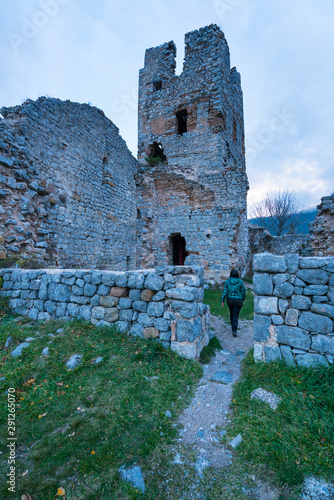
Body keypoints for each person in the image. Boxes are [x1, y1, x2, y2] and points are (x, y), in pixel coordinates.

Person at [221, 269, 246, 337]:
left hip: (230, 299)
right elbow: (243, 290)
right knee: (235, 315)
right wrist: (243, 298)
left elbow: (225, 291)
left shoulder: (228, 281)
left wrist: (222, 300)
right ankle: (234, 330)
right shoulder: (240, 281)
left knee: (231, 312)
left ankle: (233, 325)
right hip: (238, 300)